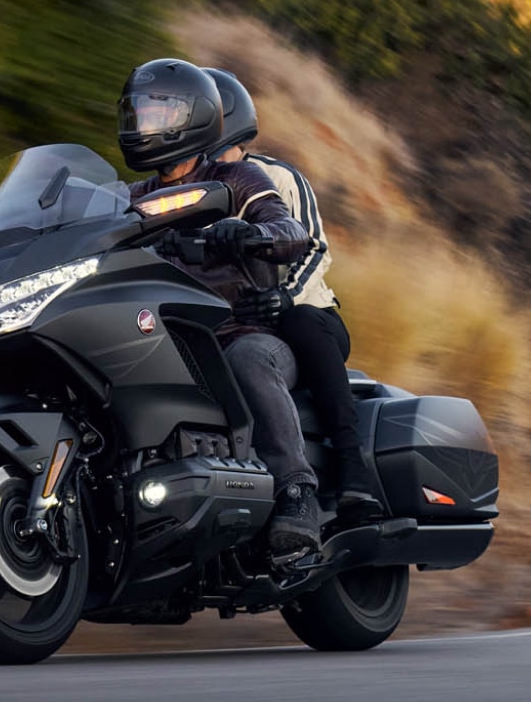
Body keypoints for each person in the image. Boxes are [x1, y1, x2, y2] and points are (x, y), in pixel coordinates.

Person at [118, 58, 320, 554]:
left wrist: (250, 234)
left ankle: (297, 492)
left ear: (194, 118)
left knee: (247, 361)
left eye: (157, 114)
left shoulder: (236, 178)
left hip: (240, 332)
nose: (143, 125)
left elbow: (290, 231)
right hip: (162, 334)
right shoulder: (128, 196)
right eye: (137, 113)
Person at [204, 67, 383, 523]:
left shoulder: (276, 177)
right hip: (235, 322)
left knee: (300, 321)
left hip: (307, 316)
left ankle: (352, 467)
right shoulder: (181, 189)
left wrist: (284, 297)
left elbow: (313, 248)